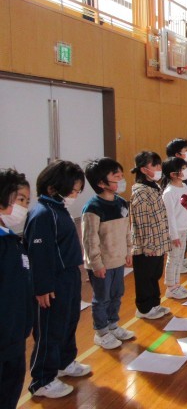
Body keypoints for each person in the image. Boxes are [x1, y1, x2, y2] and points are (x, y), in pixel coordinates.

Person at [25, 160, 89, 399]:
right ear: (52, 188)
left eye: (77, 191)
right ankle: (42, 379)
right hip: (52, 281)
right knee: (50, 329)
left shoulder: (58, 208)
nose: (75, 195)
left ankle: (65, 361)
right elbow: (38, 255)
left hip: (69, 275)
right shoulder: (42, 214)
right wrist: (42, 287)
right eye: (72, 190)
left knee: (69, 321)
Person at [82, 158, 135, 351]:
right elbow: (90, 240)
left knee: (117, 294)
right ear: (101, 183)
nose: (121, 180)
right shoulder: (93, 208)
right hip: (102, 264)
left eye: (121, 176)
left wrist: (128, 251)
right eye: (116, 177)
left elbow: (127, 230)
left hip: (118, 260)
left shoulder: (121, 203)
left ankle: (113, 325)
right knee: (102, 298)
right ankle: (101, 332)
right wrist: (96, 264)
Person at [0, 169, 32, 407]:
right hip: (4, 333)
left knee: (12, 385)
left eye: (27, 201)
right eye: (20, 199)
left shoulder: (12, 240)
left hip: (15, 332)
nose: (24, 207)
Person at [130, 152, 172, 320]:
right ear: (143, 169)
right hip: (147, 246)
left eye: (159, 164)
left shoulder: (154, 187)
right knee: (145, 277)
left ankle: (155, 304)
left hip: (158, 242)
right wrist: (149, 246)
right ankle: (144, 308)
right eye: (154, 165)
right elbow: (143, 222)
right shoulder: (140, 192)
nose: (159, 168)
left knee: (155, 275)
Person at [160, 157, 187, 300]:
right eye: (182, 169)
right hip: (175, 232)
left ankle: (177, 284)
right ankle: (171, 287)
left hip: (183, 229)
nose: (185, 171)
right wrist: (173, 235)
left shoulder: (184, 187)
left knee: (179, 258)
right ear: (173, 174)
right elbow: (170, 217)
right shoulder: (169, 193)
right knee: (173, 258)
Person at [165, 138, 187, 272]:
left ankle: (182, 258)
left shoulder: (184, 177)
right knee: (175, 250)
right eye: (185, 150)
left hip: (186, 212)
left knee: (184, 241)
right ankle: (178, 262)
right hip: (176, 221)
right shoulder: (170, 187)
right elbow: (170, 213)